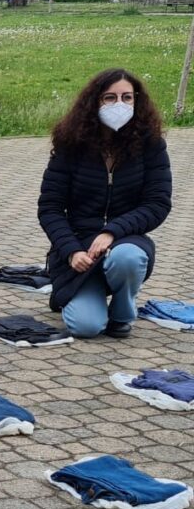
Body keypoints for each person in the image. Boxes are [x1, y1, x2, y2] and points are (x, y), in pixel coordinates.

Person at [37, 68, 171, 338]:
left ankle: (121, 315)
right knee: (86, 327)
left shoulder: (151, 144)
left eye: (127, 98)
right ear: (94, 102)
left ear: (137, 101)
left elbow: (157, 204)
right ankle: (73, 292)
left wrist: (113, 231)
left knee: (128, 258)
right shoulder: (70, 143)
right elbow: (50, 208)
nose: (119, 104)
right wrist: (71, 251)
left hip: (126, 241)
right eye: (110, 98)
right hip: (78, 247)